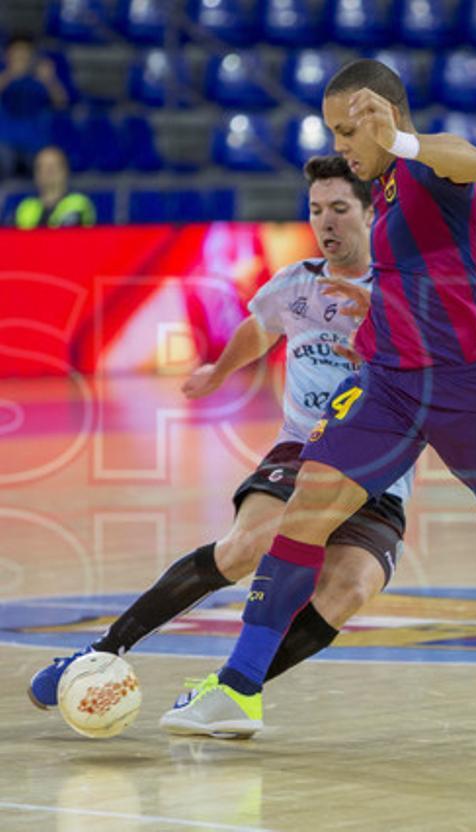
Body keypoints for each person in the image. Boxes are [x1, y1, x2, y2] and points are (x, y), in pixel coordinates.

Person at [160, 58, 476, 738]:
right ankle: (238, 687)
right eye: (336, 132)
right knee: (307, 508)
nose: (342, 145)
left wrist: (402, 142)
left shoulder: (426, 169)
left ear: (382, 113)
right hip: (390, 383)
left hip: (469, 388)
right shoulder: (381, 190)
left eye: (349, 129)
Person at [28, 155, 413, 734]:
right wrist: (218, 371)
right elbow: (260, 326)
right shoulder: (297, 283)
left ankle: (230, 689)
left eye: (339, 209)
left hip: (381, 472)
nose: (326, 222)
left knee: (350, 588)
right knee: (247, 545)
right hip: (304, 450)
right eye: (315, 211)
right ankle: (100, 651)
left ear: (370, 212)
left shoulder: (403, 296)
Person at [0, 36, 68, 176]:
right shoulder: (4, 77)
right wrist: (10, 75)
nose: (21, 57)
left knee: (47, 163)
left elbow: (62, 103)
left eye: (25, 52)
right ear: (7, 55)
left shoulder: (41, 78)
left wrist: (49, 80)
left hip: (35, 143)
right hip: (5, 142)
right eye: (16, 53)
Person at [12, 145, 95, 229]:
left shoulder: (78, 202)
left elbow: (68, 237)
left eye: (53, 166)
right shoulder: (26, 207)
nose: (48, 172)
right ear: (35, 173)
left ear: (65, 171)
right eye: (42, 167)